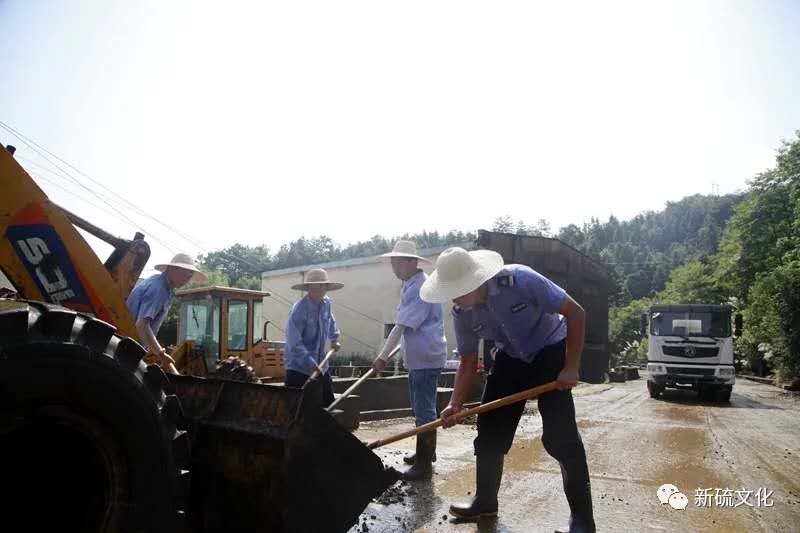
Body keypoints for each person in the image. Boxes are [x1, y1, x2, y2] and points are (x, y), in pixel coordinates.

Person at [420, 247, 595, 532]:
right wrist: (455, 403)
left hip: (549, 351)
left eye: (457, 290)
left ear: (475, 281)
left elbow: (576, 313)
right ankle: (485, 502)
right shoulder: (462, 313)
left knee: (561, 437)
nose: (453, 297)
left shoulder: (521, 279)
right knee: (489, 432)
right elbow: (467, 360)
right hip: (509, 357)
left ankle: (583, 521)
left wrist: (571, 366)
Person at [372, 240, 447, 480]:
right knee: (421, 407)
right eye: (392, 263)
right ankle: (426, 453)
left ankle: (423, 466)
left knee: (424, 410)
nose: (394, 268)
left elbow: (400, 327)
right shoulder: (410, 284)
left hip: (425, 357)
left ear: (410, 262)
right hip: (420, 357)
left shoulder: (419, 288)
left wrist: (382, 357)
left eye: (396, 263)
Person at [126, 253, 207, 374]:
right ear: (172, 269)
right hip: (129, 346)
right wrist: (160, 354)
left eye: (191, 273)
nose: (189, 276)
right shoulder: (159, 289)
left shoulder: (158, 283)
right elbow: (141, 325)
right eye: (186, 271)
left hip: (132, 345)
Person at [284, 268, 342, 406]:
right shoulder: (299, 309)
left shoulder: (326, 303)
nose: (319, 289)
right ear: (309, 288)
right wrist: (310, 362)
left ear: (326, 288)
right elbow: (294, 343)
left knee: (328, 403)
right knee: (296, 407)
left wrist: (334, 339)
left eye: (322, 286)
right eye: (315, 286)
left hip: (321, 363)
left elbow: (330, 321)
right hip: (298, 368)